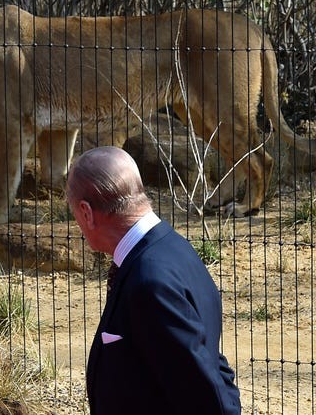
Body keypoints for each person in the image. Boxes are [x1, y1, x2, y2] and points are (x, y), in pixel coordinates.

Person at [65, 145, 241, 415]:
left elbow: (208, 397)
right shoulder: (173, 247)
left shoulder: (150, 283)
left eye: (75, 213)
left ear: (87, 212)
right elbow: (211, 363)